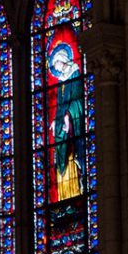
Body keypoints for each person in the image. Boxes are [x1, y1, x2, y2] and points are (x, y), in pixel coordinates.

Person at [49, 43, 84, 201]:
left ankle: (75, 192)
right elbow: (59, 107)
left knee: (71, 154)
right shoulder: (61, 81)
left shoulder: (75, 74)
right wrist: (56, 121)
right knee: (60, 153)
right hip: (62, 125)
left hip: (71, 125)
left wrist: (69, 116)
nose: (56, 67)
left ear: (62, 60)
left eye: (56, 63)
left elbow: (77, 101)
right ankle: (64, 197)